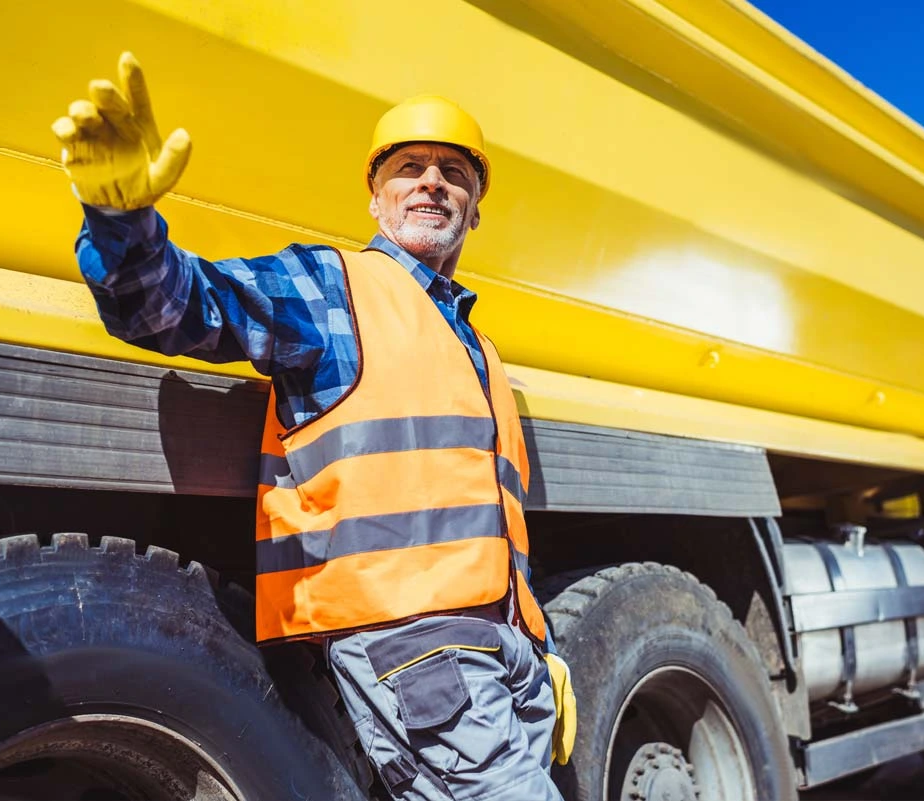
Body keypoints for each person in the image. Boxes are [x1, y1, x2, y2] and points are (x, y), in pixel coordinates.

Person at [52, 51, 575, 801]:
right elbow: (177, 305)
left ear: (476, 205)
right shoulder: (335, 288)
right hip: (418, 651)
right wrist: (119, 218)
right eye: (409, 167)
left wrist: (537, 646)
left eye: (454, 172)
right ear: (376, 198)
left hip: (502, 656)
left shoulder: (480, 350)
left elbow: (484, 527)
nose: (431, 181)